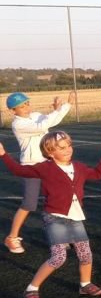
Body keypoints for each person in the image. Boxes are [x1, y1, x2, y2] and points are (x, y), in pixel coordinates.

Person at [0, 132, 101, 298]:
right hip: (54, 218)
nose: (68, 150)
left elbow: (97, 174)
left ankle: (85, 285)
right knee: (59, 257)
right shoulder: (44, 168)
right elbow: (18, 170)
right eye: (62, 148)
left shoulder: (79, 167)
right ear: (50, 152)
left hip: (75, 218)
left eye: (69, 145)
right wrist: (3, 154)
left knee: (86, 254)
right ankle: (31, 289)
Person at [4, 92, 74, 254]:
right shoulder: (18, 124)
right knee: (29, 204)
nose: (26, 107)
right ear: (13, 110)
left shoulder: (35, 115)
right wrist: (63, 107)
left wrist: (61, 108)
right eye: (22, 106)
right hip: (31, 167)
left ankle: (61, 236)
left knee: (58, 199)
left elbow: (51, 121)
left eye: (27, 103)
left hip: (48, 164)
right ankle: (12, 238)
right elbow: (43, 126)